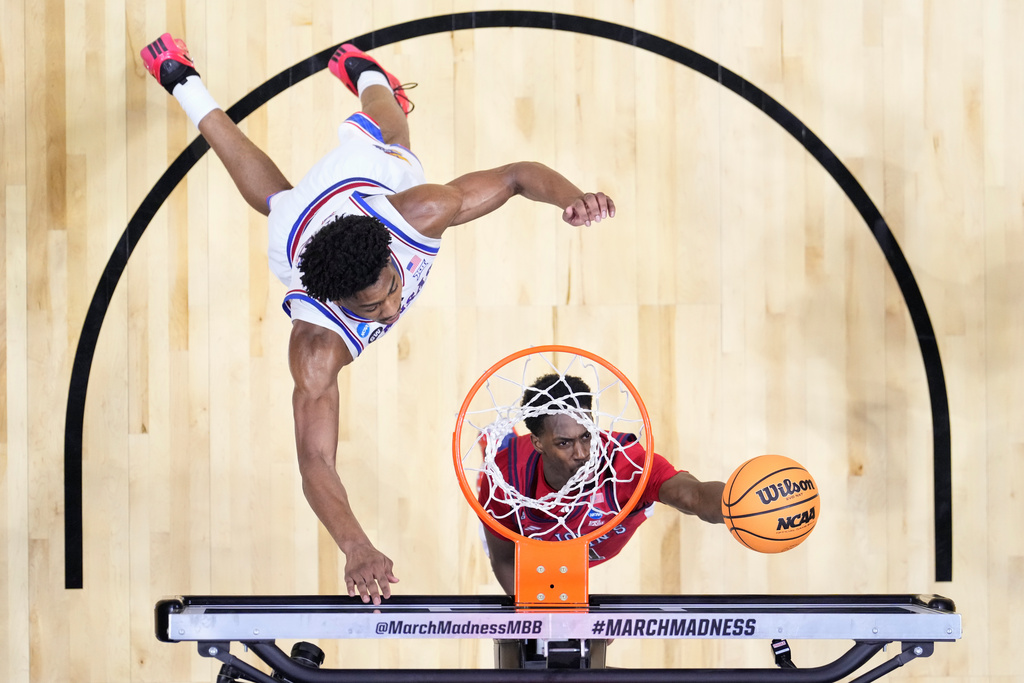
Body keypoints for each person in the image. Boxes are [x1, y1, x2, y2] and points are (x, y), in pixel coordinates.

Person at [141, 34, 616, 605]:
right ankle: (183, 83)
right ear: (335, 302)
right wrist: (354, 545)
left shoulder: (417, 213)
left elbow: (516, 175)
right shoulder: (316, 344)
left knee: (394, 136)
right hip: (298, 229)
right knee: (275, 202)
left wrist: (573, 197)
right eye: (370, 308)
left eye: (392, 287)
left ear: (392, 253)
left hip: (362, 176)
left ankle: (365, 73)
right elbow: (314, 460)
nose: (392, 309)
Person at [477, 373, 724, 595]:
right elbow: (506, 560)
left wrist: (741, 506)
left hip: (594, 529)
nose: (583, 453)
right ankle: (498, 441)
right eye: (564, 443)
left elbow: (695, 496)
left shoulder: (625, 463)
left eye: (587, 435)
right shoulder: (503, 479)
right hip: (533, 546)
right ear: (538, 443)